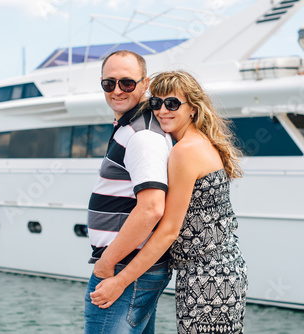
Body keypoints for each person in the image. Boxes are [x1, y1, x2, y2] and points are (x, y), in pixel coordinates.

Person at [90, 70, 248, 334]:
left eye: (172, 103)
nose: (162, 110)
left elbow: (169, 231)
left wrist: (120, 280)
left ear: (193, 109)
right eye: (156, 102)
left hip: (206, 277)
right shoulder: (201, 142)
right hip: (220, 270)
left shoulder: (185, 152)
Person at [84, 50, 173, 334]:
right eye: (109, 83)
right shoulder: (131, 127)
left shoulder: (141, 135)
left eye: (127, 83)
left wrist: (106, 265)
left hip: (123, 268)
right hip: (127, 267)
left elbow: (151, 208)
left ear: (145, 84)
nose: (117, 90)